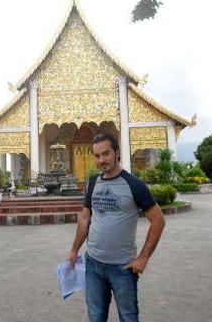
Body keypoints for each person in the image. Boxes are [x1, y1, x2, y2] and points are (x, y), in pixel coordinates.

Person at [67, 133, 165, 322]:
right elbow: (84, 218)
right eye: (97, 156)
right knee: (95, 317)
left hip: (123, 268)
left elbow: (158, 220)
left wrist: (143, 258)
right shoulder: (92, 183)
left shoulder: (134, 185)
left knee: (128, 317)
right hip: (94, 264)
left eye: (106, 154)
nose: (101, 160)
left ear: (117, 152)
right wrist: (74, 250)